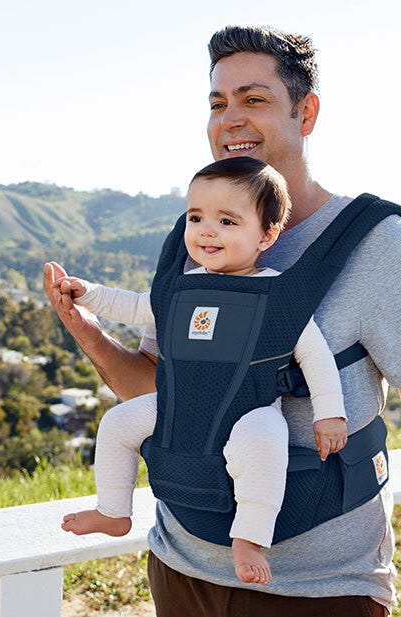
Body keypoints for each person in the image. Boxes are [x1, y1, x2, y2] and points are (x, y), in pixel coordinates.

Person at [44, 25, 401, 617]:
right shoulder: (197, 239)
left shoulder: (377, 248)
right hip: (180, 568)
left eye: (254, 99)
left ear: (306, 112)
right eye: (218, 103)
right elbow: (155, 388)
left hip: (319, 590)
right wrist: (89, 331)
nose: (230, 119)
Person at [58, 156, 348, 586]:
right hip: (179, 406)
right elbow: (137, 307)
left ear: (267, 234)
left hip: (250, 410)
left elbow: (316, 355)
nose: (207, 230)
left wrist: (330, 413)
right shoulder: (182, 287)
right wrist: (89, 294)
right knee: (117, 423)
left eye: (227, 221)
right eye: (196, 217)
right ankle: (113, 512)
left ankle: (250, 538)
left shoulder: (275, 295)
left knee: (265, 442)